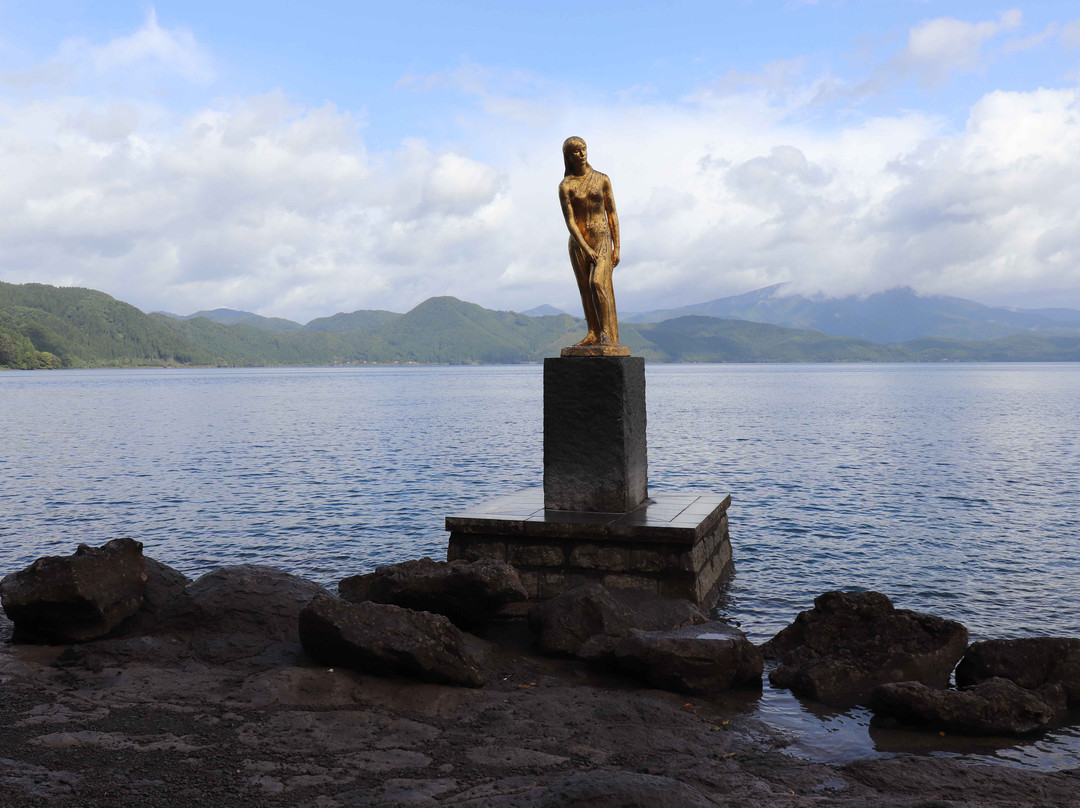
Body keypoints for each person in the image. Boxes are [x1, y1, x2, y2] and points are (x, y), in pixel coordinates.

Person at [558, 136, 621, 346]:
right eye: (576, 151)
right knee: (585, 288)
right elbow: (570, 221)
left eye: (584, 149)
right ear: (569, 156)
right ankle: (593, 333)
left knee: (597, 282)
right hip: (579, 243)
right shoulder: (566, 186)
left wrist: (617, 247)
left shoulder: (602, 179)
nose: (582, 154)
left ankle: (606, 333)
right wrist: (584, 247)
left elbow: (612, 213)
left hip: (602, 237)